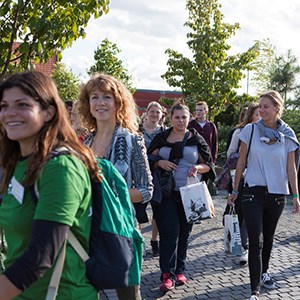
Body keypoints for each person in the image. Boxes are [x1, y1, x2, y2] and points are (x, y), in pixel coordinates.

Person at [0, 71, 101, 299]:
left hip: (61, 294)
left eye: (22, 104)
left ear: (48, 112)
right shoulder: (16, 163)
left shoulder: (61, 168)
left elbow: (40, 258)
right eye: (4, 105)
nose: (9, 113)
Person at [77, 73, 153, 300]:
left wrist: (109, 194)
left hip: (122, 231)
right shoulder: (84, 145)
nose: (100, 102)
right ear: (88, 104)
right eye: (94, 97)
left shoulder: (131, 140)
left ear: (118, 102)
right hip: (89, 230)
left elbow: (147, 190)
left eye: (107, 97)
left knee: (128, 295)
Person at [228, 90, 300, 300]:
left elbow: (291, 169)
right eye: (260, 106)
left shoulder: (288, 135)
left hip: (277, 194)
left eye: (266, 106)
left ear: (277, 108)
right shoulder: (250, 130)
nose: (261, 110)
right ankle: (254, 291)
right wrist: (233, 190)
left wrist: (295, 196)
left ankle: (264, 273)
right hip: (252, 192)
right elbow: (241, 162)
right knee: (256, 240)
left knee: (268, 239)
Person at [147, 101, 215, 292]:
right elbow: (147, 160)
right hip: (166, 192)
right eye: (176, 117)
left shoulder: (196, 139)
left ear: (190, 118)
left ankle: (180, 269)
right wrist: (160, 163)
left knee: (184, 233)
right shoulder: (162, 137)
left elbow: (208, 164)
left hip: (189, 193)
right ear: (170, 118)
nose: (180, 120)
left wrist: (197, 168)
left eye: (184, 117)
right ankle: (167, 274)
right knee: (170, 232)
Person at [226, 103, 260, 266]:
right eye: (257, 114)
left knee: (254, 215)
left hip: (260, 181)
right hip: (242, 178)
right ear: (251, 116)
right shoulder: (239, 132)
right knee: (242, 213)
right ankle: (243, 247)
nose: (261, 117)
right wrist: (244, 159)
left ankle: (250, 247)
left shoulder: (268, 134)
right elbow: (230, 154)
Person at [139, 101, 167, 257]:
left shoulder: (164, 132)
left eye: (158, 112)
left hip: (158, 175)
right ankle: (139, 239)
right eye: (152, 111)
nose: (155, 115)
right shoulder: (138, 131)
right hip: (139, 174)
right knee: (138, 209)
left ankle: (154, 239)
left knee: (158, 208)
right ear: (147, 112)